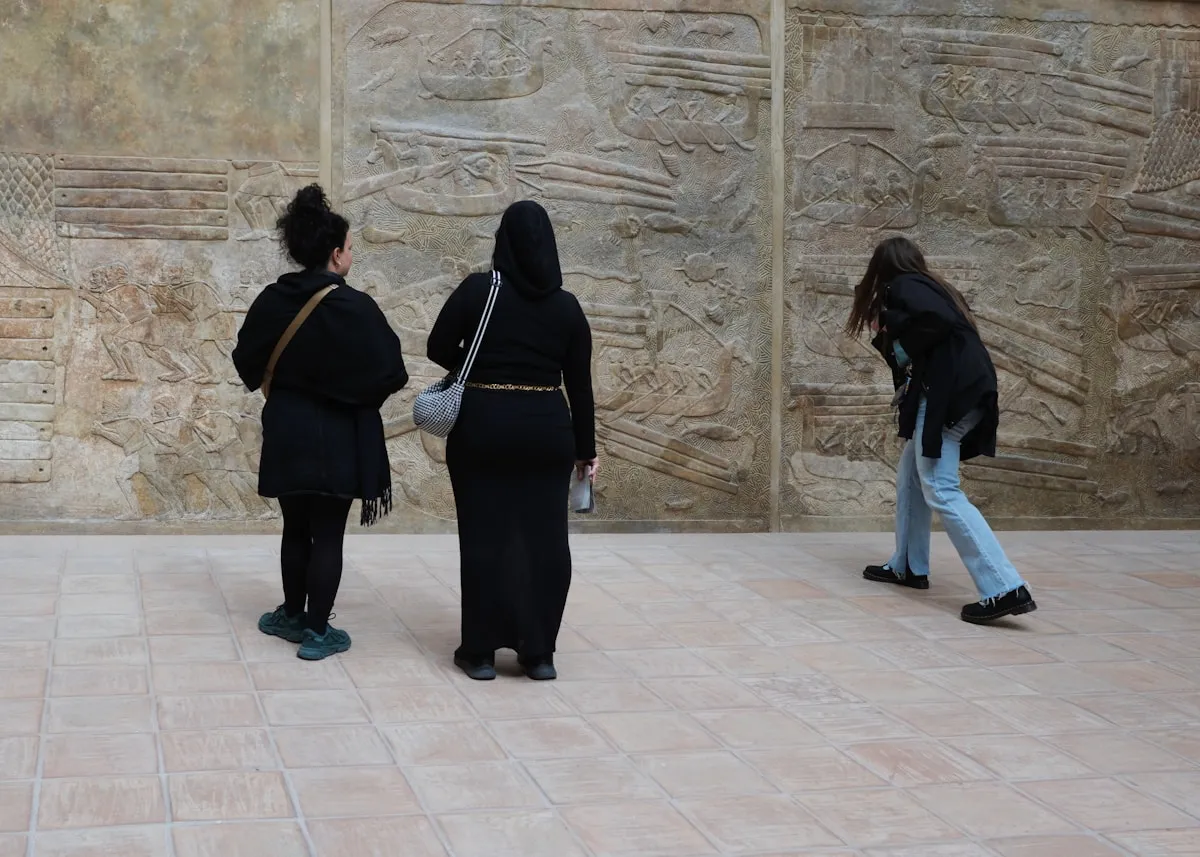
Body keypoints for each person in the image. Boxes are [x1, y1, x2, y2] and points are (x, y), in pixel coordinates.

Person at [233, 185, 408, 659]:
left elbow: (245, 363)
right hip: (341, 435)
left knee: (295, 526)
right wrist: (351, 394)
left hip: (288, 428)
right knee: (328, 532)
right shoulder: (356, 308)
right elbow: (393, 373)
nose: (352, 256)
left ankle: (290, 615)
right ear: (335, 254)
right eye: (350, 248)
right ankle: (316, 632)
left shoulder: (273, 299)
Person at [427, 200, 596, 681]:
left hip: (482, 425)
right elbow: (579, 386)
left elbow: (436, 345)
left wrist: (477, 370)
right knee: (545, 542)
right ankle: (538, 653)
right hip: (547, 430)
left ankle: (480, 653)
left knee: (484, 536)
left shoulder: (480, 291)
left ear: (503, 241)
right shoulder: (567, 307)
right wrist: (587, 451)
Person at [845, 236, 1037, 624]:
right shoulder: (927, 288)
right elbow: (917, 350)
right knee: (912, 476)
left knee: (940, 486)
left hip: (949, 398)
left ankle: (1004, 587)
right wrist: (886, 331)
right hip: (957, 393)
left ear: (882, 268)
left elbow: (937, 324)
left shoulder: (904, 287)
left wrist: (891, 320)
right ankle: (909, 565)